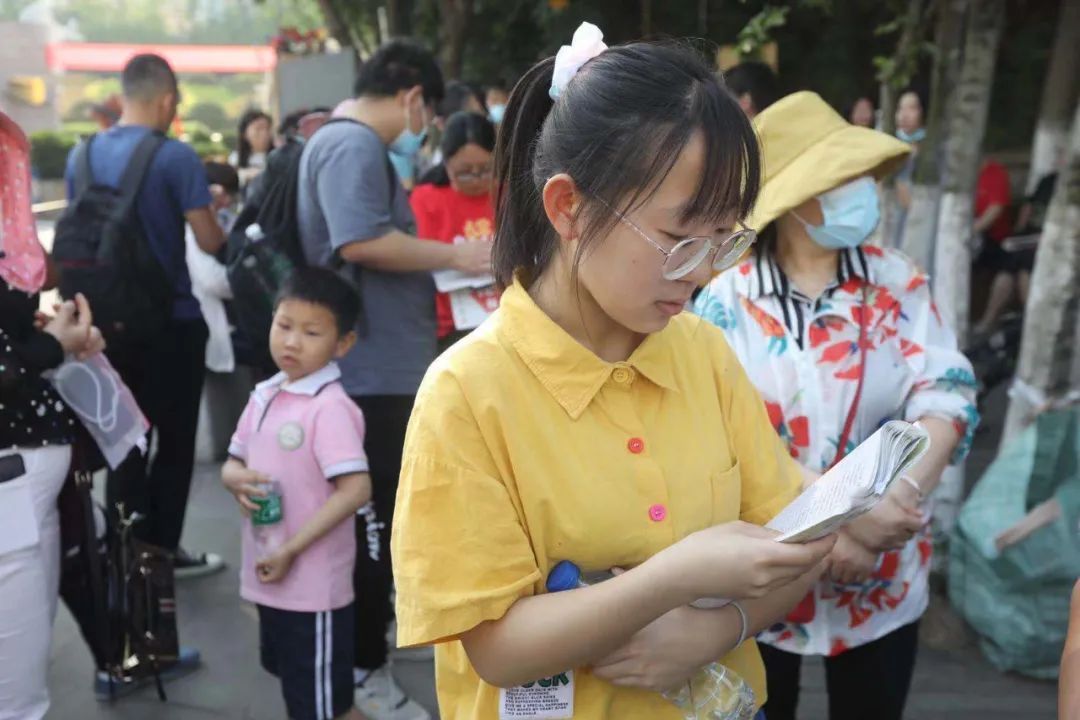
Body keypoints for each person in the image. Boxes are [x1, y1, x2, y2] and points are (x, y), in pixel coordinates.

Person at [391, 24, 837, 720]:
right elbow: (497, 650)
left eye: (727, 238)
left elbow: (789, 544)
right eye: (681, 237)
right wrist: (673, 579)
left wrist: (720, 629)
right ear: (568, 206)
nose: (708, 269)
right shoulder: (467, 395)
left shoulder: (702, 352)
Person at [694, 91, 980, 720]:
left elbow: (946, 391)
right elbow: (718, 436)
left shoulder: (897, 280)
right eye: (845, 176)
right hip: (766, 581)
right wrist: (841, 522)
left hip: (884, 578)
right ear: (799, 198)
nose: (865, 190)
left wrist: (890, 500)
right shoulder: (723, 302)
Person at [297, 38, 490, 720]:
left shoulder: (338, 142)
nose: (427, 130)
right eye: (430, 115)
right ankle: (363, 675)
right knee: (374, 530)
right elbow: (358, 240)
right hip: (374, 373)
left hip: (376, 365)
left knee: (369, 525)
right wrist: (459, 254)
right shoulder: (353, 147)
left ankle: (360, 668)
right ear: (413, 97)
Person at [64, 53, 227, 577]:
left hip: (101, 326)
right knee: (173, 447)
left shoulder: (80, 155)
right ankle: (162, 555)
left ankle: (123, 553)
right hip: (170, 325)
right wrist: (215, 212)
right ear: (166, 100)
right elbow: (209, 239)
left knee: (124, 443)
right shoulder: (175, 157)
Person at [222, 267, 372, 720]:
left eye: (311, 332)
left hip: (313, 589)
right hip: (272, 577)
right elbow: (234, 459)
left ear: (342, 344)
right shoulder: (265, 394)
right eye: (284, 325)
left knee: (324, 704)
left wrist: (291, 548)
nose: (291, 342)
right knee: (305, 693)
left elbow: (356, 488)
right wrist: (232, 478)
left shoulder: (329, 408)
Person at [0, 109, 106, 720]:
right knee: (18, 691)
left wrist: (34, 329)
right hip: (12, 472)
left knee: (23, 669)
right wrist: (53, 346)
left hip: (27, 477)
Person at [411, 111, 498, 352]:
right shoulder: (426, 198)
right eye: (464, 172)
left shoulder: (508, 192)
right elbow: (421, 255)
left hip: (506, 317)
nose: (476, 179)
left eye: (486, 169)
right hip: (451, 325)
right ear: (446, 163)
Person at [186, 161, 252, 460]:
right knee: (222, 391)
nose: (225, 200)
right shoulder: (194, 224)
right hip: (213, 319)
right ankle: (225, 447)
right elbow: (213, 280)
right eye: (220, 192)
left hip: (221, 321)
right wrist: (246, 278)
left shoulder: (218, 218)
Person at [972, 157, 1017, 336]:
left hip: (993, 238)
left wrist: (970, 231)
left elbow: (996, 208)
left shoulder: (996, 173)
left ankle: (987, 322)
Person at [893, 88, 925, 217]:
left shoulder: (930, 146)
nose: (904, 115)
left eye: (911, 108)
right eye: (901, 109)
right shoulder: (890, 143)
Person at [230, 109, 273, 187]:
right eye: (258, 129)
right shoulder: (236, 158)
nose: (265, 133)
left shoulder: (277, 156)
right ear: (245, 134)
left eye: (267, 128)